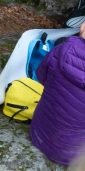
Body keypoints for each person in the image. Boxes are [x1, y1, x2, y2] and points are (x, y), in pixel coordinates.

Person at [29, 22, 85, 166]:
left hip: (38, 133)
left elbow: (40, 78)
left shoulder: (60, 49)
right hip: (74, 157)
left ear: (83, 26)